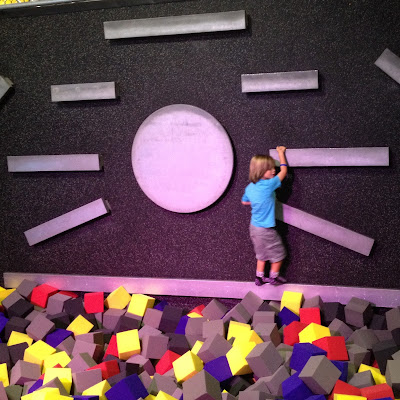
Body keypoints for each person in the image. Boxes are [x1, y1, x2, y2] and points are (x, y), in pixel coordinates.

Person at [241, 146, 288, 286]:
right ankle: (274, 277)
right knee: (279, 254)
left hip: (254, 227)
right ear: (260, 171)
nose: (274, 170)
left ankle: (259, 277)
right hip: (266, 229)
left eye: (274, 167)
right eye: (270, 169)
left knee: (261, 255)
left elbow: (244, 202)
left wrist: (258, 201)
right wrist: (281, 153)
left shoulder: (250, 187)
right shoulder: (269, 184)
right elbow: (284, 171)